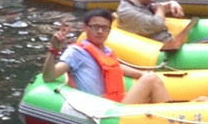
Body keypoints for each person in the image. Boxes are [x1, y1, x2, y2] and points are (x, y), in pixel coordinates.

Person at [42, 12, 172, 104]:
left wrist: (140, 73)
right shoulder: (76, 52)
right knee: (151, 80)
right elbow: (49, 76)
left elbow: (115, 66)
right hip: (102, 107)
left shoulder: (106, 51)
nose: (100, 31)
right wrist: (54, 49)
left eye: (104, 28)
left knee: (150, 90)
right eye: (95, 27)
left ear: (109, 30)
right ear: (85, 28)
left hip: (115, 102)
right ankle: (174, 122)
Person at [115, 0, 191, 53]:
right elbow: (157, 24)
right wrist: (160, 9)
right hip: (161, 52)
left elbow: (156, 7)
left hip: (169, 45)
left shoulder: (140, 2)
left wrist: (172, 3)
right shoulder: (126, 12)